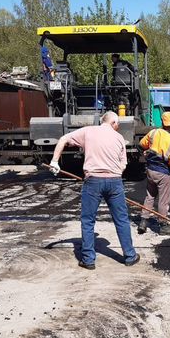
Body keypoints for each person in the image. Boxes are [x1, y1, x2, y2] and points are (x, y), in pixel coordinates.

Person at [49, 111, 140, 270]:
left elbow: (63, 139)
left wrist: (55, 161)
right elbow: (123, 164)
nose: (117, 128)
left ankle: (88, 260)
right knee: (122, 220)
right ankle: (130, 256)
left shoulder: (88, 131)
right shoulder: (119, 138)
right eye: (117, 125)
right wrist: (113, 172)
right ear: (113, 123)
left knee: (88, 221)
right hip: (115, 182)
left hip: (93, 182)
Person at [137, 111, 170, 235]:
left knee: (150, 196)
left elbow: (140, 145)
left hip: (150, 171)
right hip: (163, 174)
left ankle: (143, 222)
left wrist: (146, 153)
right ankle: (163, 226)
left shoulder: (153, 133)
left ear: (162, 122)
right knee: (163, 200)